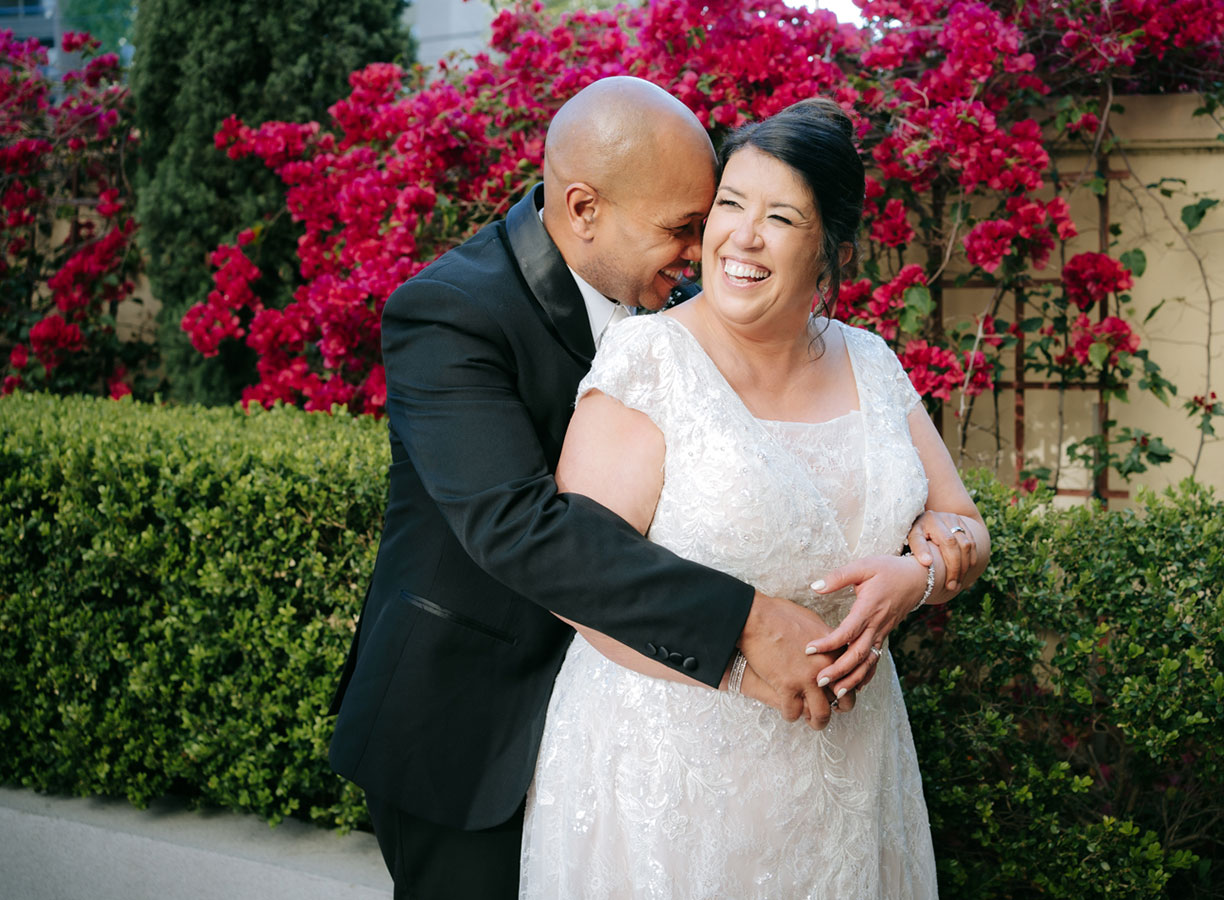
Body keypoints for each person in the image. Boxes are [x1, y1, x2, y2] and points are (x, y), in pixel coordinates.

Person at [327, 77, 959, 899]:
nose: (705, 251)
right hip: (470, 722)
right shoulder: (449, 312)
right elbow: (521, 526)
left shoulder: (683, 307)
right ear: (584, 207)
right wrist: (747, 622)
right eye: (683, 228)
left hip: (662, 736)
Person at [518, 98, 991, 898]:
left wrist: (919, 578)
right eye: (729, 206)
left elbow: (961, 523)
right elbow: (580, 588)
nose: (742, 236)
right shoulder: (648, 362)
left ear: (827, 247)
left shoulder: (871, 363)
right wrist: (748, 669)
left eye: (780, 217)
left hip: (850, 769)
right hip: (670, 779)